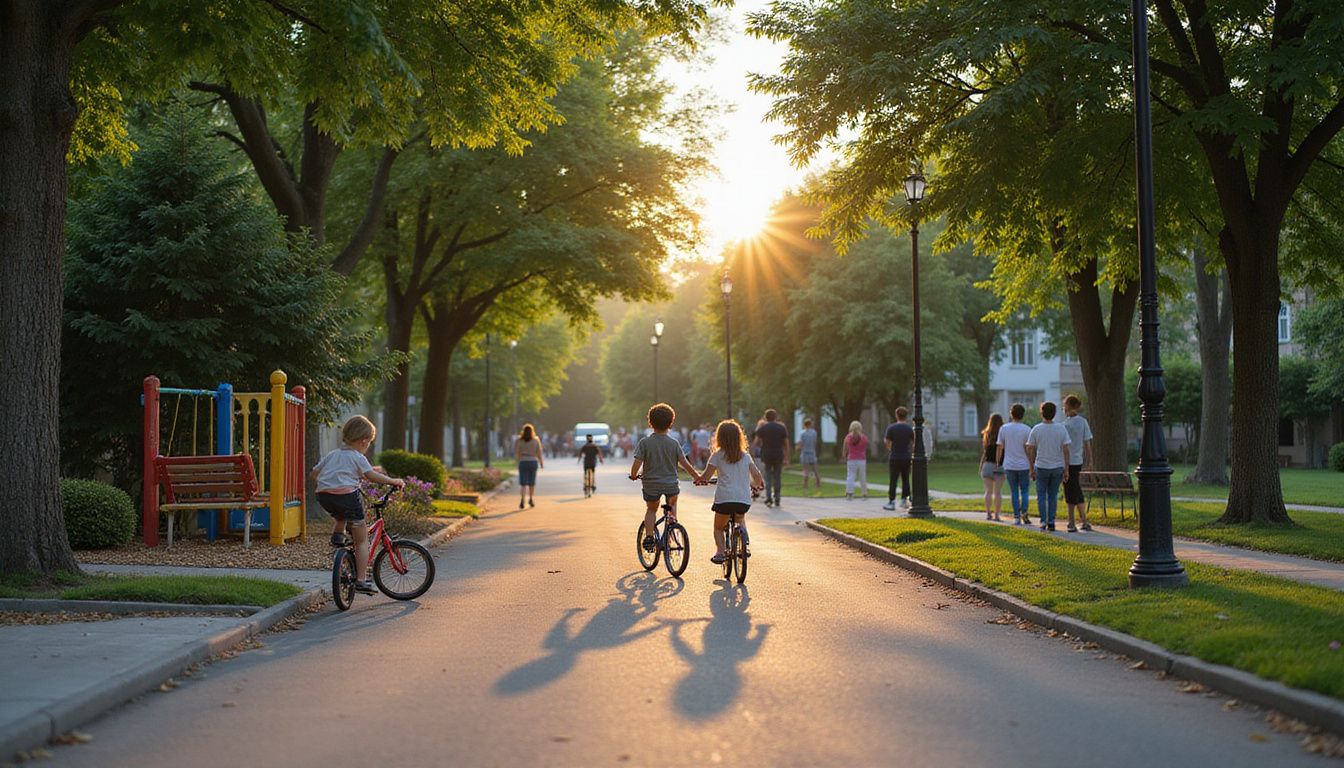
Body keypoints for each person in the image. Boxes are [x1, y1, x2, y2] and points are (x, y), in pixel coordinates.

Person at [310, 416, 406, 595]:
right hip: (347, 496)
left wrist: (333, 481)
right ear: (363, 442)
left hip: (324, 495)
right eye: (369, 442)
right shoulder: (357, 457)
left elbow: (314, 473)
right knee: (361, 539)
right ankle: (361, 580)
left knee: (340, 513)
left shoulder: (333, 454)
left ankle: (338, 536)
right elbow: (370, 476)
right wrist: (393, 481)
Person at [629, 403, 700, 552]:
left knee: (651, 510)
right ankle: (672, 524)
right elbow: (684, 463)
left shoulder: (645, 443)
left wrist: (634, 475)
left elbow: (637, 463)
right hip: (670, 485)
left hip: (651, 485)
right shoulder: (673, 443)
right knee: (672, 504)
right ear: (671, 423)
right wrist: (696, 476)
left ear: (650, 422)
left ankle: (649, 537)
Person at [694, 420, 765, 565]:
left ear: (719, 437)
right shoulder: (745, 456)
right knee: (740, 518)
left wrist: (700, 480)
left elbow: (706, 477)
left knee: (718, 527)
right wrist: (759, 484)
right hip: (743, 500)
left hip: (724, 500)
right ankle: (744, 545)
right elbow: (756, 475)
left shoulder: (717, 455)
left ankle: (720, 552)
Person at [1026, 401, 1072, 532]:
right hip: (1057, 466)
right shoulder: (1061, 429)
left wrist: (1031, 467)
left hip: (1041, 466)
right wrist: (1066, 468)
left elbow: (1029, 448)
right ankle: (1051, 522)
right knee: (1053, 495)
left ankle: (1043, 521)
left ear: (1042, 413)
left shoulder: (1036, 429)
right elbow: (1066, 449)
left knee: (1041, 495)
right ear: (1054, 413)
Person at [1061, 394, 1095, 531]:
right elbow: (1087, 443)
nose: (1063, 408)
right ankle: (1080, 521)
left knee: (1071, 490)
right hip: (1077, 461)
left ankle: (1073, 522)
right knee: (1074, 489)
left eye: (1064, 405)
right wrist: (1090, 460)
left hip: (1065, 462)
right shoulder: (1083, 422)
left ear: (1069, 406)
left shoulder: (1064, 425)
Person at [996, 403, 1033, 525]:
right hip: (1024, 465)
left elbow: (1000, 447)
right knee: (1025, 491)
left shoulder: (1004, 428)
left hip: (1009, 465)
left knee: (1014, 491)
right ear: (1023, 415)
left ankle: (1016, 516)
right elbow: (1029, 449)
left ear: (1011, 414)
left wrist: (997, 462)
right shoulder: (1027, 429)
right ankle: (1024, 512)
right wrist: (1031, 464)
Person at [751, 409, 790, 508]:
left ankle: (769, 498)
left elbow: (755, 442)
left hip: (766, 455)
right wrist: (786, 457)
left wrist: (752, 454)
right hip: (778, 455)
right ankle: (777, 499)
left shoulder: (764, 428)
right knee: (777, 477)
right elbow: (786, 444)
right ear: (775, 417)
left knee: (768, 477)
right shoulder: (781, 427)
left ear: (766, 417)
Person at [883, 407, 915, 511]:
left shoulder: (891, 428)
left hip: (895, 457)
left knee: (893, 480)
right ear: (906, 416)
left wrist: (890, 449)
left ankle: (891, 502)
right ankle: (903, 500)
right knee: (906, 479)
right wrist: (911, 451)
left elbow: (887, 441)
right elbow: (914, 443)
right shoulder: (909, 429)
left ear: (897, 415)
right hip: (906, 456)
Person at [980, 413, 1006, 521]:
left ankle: (988, 514)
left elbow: (985, 452)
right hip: (999, 465)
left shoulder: (986, 434)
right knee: (998, 493)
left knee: (988, 491)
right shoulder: (1003, 434)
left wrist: (981, 465)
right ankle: (996, 515)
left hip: (987, 465)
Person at [515, 423, 544, 509]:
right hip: (533, 461)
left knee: (523, 483)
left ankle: (522, 500)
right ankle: (531, 499)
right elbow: (539, 453)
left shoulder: (519, 440)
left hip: (523, 462)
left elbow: (517, 453)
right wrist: (541, 463)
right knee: (532, 483)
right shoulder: (536, 440)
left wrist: (518, 462)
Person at [843, 420, 869, 500]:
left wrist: (844, 456)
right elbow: (865, 447)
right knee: (862, 477)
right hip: (861, 459)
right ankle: (864, 493)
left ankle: (849, 494)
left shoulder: (848, 437)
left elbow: (845, 448)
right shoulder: (864, 438)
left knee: (850, 476)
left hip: (851, 459)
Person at [796, 418, 822, 491]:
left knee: (806, 469)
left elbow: (801, 443)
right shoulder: (814, 433)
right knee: (815, 469)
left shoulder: (802, 433)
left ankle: (805, 484)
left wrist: (797, 448)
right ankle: (818, 482)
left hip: (805, 453)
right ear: (810, 424)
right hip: (812, 452)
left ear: (804, 424)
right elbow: (814, 442)